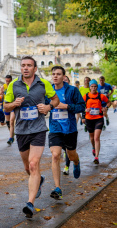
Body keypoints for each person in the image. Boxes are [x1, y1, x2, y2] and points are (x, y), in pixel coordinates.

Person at [4, 56, 59, 218]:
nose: (25, 68)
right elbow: (5, 106)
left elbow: (55, 99)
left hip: (38, 129)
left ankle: (30, 203)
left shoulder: (44, 84)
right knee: (28, 168)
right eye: (23, 66)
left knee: (34, 164)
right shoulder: (14, 85)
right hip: (21, 130)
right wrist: (14, 104)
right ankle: (39, 180)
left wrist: (48, 107)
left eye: (29, 65)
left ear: (35, 68)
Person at [47, 66, 85, 200]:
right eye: (53, 74)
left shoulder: (72, 90)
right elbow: (45, 105)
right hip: (55, 128)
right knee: (56, 155)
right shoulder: (48, 91)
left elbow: (82, 106)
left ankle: (76, 162)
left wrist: (67, 106)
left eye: (58, 74)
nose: (55, 76)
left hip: (70, 129)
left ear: (64, 76)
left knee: (71, 154)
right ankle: (58, 188)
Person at [82, 79, 111, 164]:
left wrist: (106, 108)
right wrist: (85, 110)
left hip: (99, 118)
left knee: (96, 138)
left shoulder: (101, 96)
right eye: (92, 86)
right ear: (89, 87)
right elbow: (79, 105)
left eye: (95, 86)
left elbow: (109, 102)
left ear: (97, 87)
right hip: (89, 119)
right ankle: (93, 148)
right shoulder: (86, 96)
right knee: (92, 138)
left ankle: (96, 157)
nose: (93, 88)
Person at [0, 75, 16, 146]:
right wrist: (2, 92)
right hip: (6, 106)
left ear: (11, 80)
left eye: (9, 81)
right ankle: (12, 134)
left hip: (12, 106)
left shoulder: (13, 86)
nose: (8, 83)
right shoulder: (3, 87)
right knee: (8, 122)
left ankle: (10, 138)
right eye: (6, 81)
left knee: (12, 121)